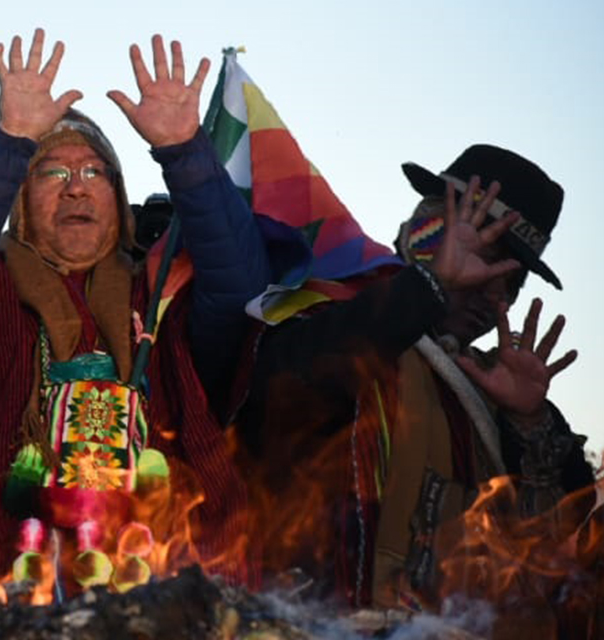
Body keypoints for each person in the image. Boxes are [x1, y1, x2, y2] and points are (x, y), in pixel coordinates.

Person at [0, 31, 272, 588]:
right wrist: (11, 143)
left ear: (118, 196)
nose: (76, 189)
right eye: (52, 173)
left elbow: (243, 284)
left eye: (94, 172)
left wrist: (185, 152)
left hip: (168, 576)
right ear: (21, 201)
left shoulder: (160, 290)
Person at [235, 144, 594, 608]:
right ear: (427, 238)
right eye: (484, 258)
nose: (495, 299)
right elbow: (276, 397)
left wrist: (531, 424)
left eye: (512, 281)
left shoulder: (494, 389)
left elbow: (569, 541)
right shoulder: (324, 312)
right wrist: (427, 291)